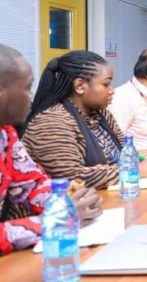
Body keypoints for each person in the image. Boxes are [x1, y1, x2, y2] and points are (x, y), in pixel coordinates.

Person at [0, 44, 102, 255]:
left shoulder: (6, 135)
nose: (31, 96)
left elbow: (32, 184)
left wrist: (68, 199)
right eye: (27, 87)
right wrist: (55, 220)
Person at [23, 51, 147, 189]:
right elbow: (72, 177)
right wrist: (136, 170)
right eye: (106, 84)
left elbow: (123, 152)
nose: (112, 90)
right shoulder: (51, 122)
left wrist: (138, 160)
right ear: (80, 86)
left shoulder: (101, 114)